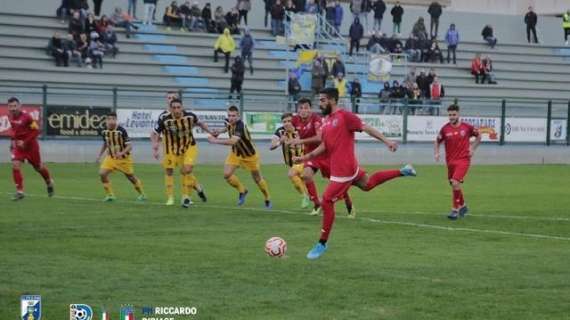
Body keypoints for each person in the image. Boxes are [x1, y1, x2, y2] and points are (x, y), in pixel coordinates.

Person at [293, 88, 416, 259]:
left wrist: (387, 141)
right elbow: (324, 146)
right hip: (345, 168)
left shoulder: (345, 116)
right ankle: (403, 171)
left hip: (344, 171)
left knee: (327, 201)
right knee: (368, 184)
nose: (319, 104)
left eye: (322, 100)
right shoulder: (327, 121)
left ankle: (322, 243)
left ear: (333, 100)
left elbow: (366, 128)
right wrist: (306, 157)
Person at [287, 98, 354, 216]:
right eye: (301, 108)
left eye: (306, 108)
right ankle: (317, 204)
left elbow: (319, 138)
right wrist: (280, 137)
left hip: (325, 153)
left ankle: (349, 205)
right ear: (297, 110)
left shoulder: (316, 120)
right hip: (311, 155)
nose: (303, 110)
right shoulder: (295, 120)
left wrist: (299, 141)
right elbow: (285, 128)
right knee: (306, 175)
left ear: (310, 109)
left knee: (337, 182)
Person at [151, 98, 213, 207]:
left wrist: (211, 132)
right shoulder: (165, 120)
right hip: (174, 149)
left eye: (178, 107)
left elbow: (200, 123)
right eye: (174, 108)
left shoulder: (190, 116)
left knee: (186, 170)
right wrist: (155, 146)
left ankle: (185, 197)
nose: (176, 110)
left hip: (189, 147)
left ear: (182, 107)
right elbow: (155, 132)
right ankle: (174, 196)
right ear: (170, 108)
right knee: (172, 170)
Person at [207, 105, 272, 209]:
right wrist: (218, 132)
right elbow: (226, 127)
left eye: (233, 115)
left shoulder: (240, 126)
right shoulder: (228, 121)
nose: (231, 118)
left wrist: (215, 141)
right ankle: (243, 190)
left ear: (238, 116)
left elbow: (232, 141)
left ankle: (267, 198)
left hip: (249, 155)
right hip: (236, 153)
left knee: (257, 179)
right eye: (229, 115)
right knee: (227, 174)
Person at [434, 104, 481, 220]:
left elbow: (479, 136)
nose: (452, 117)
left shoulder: (467, 127)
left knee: (455, 182)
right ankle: (463, 205)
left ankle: (455, 209)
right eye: (450, 115)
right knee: (454, 184)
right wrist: (436, 152)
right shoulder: (445, 129)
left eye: (454, 114)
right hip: (450, 162)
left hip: (463, 160)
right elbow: (437, 141)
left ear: (458, 114)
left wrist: (472, 148)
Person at [7, 97, 54, 201]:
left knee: (38, 167)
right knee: (15, 165)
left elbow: (36, 130)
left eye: (15, 106)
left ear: (19, 106)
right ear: (8, 107)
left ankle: (49, 182)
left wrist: (25, 142)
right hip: (19, 147)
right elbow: (14, 131)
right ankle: (20, 191)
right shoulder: (10, 117)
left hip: (31, 146)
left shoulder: (27, 117)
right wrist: (12, 141)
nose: (13, 108)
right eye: (11, 106)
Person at [96, 112, 146, 202]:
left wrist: (121, 153)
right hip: (110, 158)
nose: (111, 121)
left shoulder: (121, 130)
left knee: (130, 177)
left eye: (113, 119)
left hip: (124, 159)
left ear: (116, 120)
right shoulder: (104, 131)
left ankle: (142, 194)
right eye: (109, 119)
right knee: (102, 173)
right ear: (106, 120)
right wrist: (99, 155)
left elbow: (130, 146)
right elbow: (105, 143)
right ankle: (110, 195)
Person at [270, 113, 311, 208]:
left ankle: (306, 197)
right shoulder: (280, 131)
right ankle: (314, 200)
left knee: (291, 174)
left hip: (304, 161)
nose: (287, 123)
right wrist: (280, 141)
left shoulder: (300, 129)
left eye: (289, 121)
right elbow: (271, 146)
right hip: (292, 163)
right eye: (284, 122)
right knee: (300, 183)